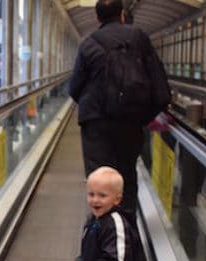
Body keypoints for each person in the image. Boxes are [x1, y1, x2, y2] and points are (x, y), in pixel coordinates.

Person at [69, 0, 170, 220]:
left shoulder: (88, 44)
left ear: (97, 18)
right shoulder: (140, 39)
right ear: (122, 15)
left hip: (96, 124)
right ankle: (127, 235)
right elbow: (157, 82)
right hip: (130, 121)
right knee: (125, 178)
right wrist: (142, 116)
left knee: (99, 181)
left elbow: (74, 88)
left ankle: (102, 242)